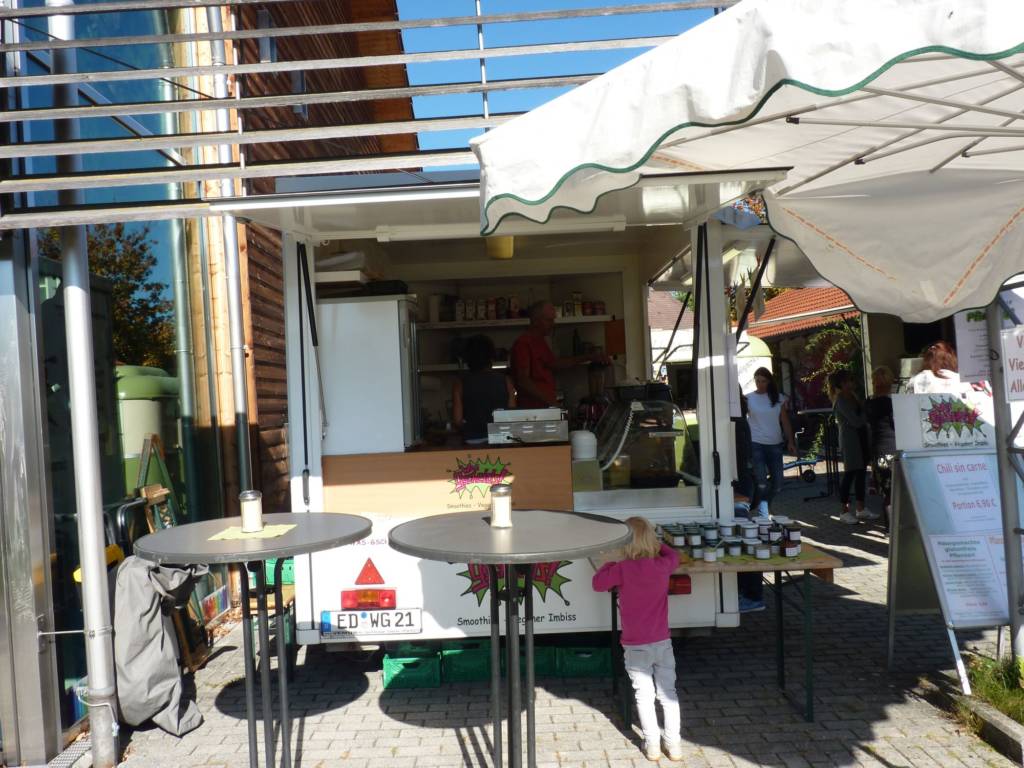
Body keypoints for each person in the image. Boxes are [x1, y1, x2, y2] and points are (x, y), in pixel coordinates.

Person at [592, 517, 682, 762]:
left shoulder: (622, 569)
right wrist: (658, 545)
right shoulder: (662, 564)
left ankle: (652, 745)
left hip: (635, 645)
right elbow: (675, 556)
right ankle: (674, 744)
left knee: (644, 696)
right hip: (662, 642)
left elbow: (597, 584)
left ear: (625, 543)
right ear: (651, 540)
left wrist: (609, 564)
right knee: (669, 694)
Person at [510, 301, 607, 408]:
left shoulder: (540, 342)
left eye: (553, 320)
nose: (553, 324)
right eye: (549, 320)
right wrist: (550, 402)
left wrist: (588, 357)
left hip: (545, 407)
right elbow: (523, 380)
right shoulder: (523, 343)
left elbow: (555, 363)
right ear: (536, 321)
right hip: (533, 409)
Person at [830, 370, 879, 524]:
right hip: (850, 442)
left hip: (860, 439)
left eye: (851, 380)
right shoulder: (841, 400)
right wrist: (867, 413)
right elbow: (856, 421)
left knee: (861, 473)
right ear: (841, 384)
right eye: (847, 381)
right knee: (850, 474)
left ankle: (860, 508)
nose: (851, 383)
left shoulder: (853, 396)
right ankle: (844, 511)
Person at [745, 367, 796, 517]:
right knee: (761, 482)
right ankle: (763, 514)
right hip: (756, 444)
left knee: (778, 483)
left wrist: (791, 441)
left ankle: (764, 504)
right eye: (757, 381)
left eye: (763, 381)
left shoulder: (778, 398)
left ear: (769, 381)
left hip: (775, 444)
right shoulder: (748, 399)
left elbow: (785, 421)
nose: (760, 384)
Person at [452, 335, 515, 444]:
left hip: (472, 440)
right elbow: (512, 414)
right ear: (491, 356)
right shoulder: (506, 381)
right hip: (501, 439)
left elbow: (457, 420)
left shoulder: (460, 383)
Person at [865, 365, 897, 524]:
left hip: (877, 450)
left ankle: (888, 527)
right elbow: (896, 425)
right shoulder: (891, 403)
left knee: (886, 491)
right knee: (895, 491)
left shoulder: (869, 402)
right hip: (892, 449)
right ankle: (893, 528)